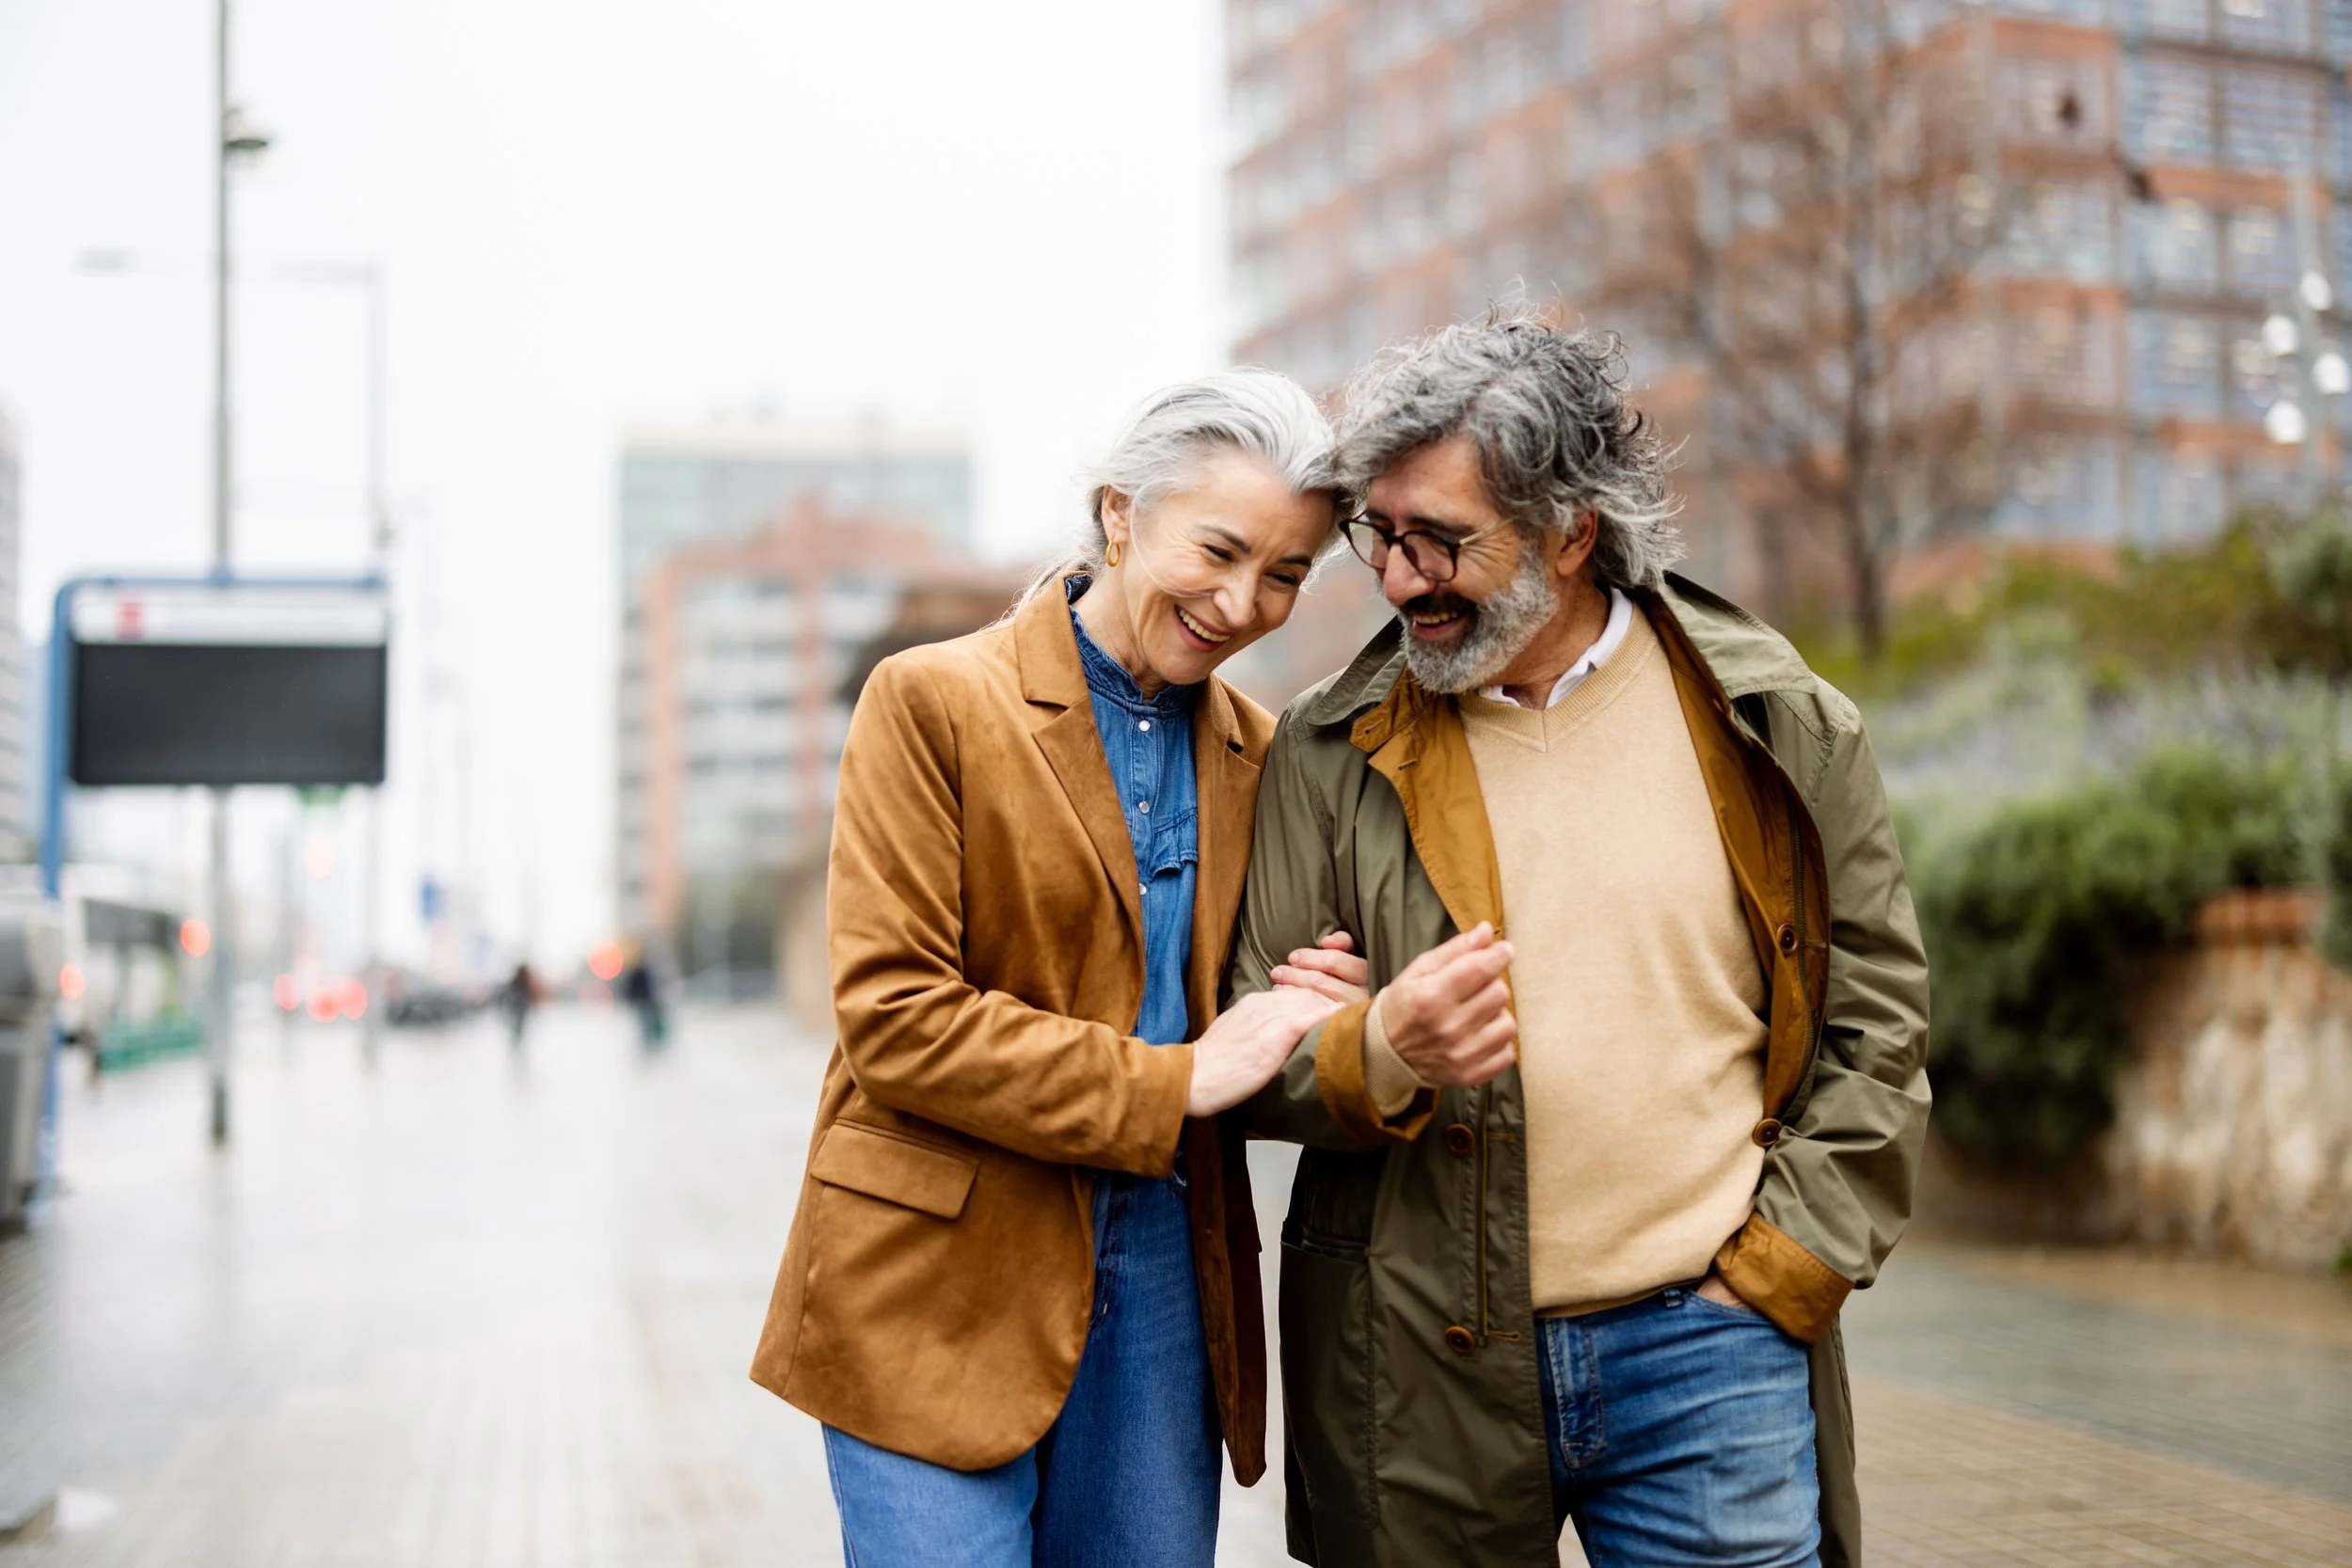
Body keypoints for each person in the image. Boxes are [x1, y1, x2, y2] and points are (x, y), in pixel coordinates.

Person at [1228, 311, 1931, 1568]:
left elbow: (1877, 1023)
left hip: (1711, 1353)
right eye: (1377, 536)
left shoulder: (1773, 721)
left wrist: (1782, 1270)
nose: (1396, 580)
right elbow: (1245, 1042)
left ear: (1571, 528)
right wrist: (1377, 1043)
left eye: (1440, 540)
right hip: (1417, 1359)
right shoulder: (1326, 750)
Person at [750, 371, 1364, 1568]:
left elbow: (1260, 1005)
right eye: (1221, 548)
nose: (1243, 602)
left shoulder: (1263, 754)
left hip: (1162, 1279)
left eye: (1286, 573)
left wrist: (1316, 1010)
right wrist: (1168, 1081)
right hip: (933, 1269)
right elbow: (896, 1017)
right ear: (1121, 515)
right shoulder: (931, 701)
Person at [498, 961, 537, 1047]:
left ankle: (517, 1040)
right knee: (517, 1026)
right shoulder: (518, 982)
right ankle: (516, 1041)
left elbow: (528, 996)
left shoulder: (523, 982)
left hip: (520, 1009)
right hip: (518, 1009)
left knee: (519, 1026)